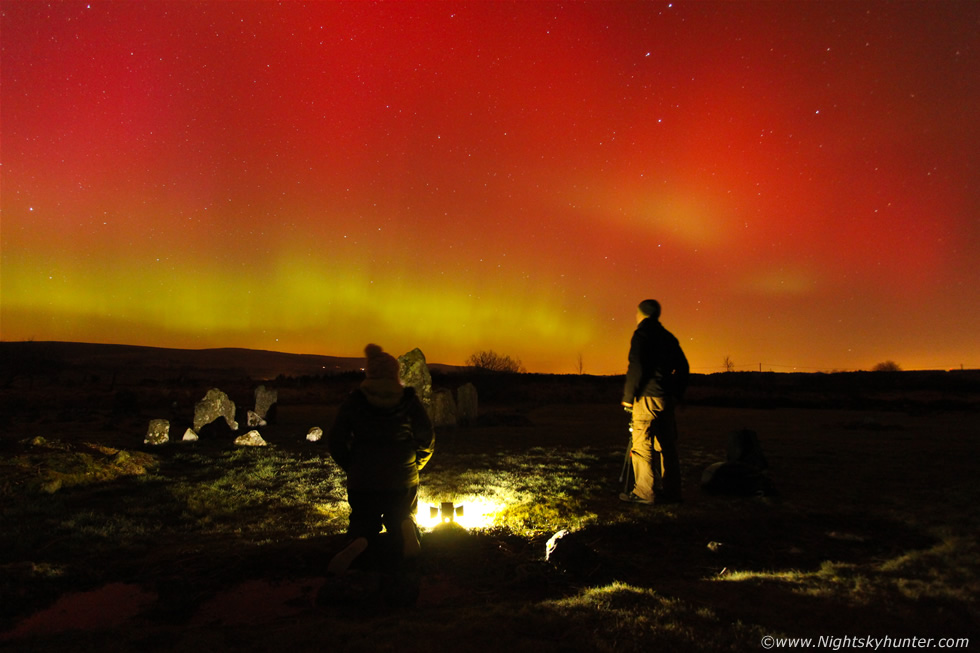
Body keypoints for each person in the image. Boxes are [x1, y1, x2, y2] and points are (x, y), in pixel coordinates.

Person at [327, 344, 435, 574]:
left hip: (364, 477)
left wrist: (352, 465)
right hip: (402, 474)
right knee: (401, 511)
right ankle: (405, 526)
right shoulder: (408, 400)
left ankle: (360, 539)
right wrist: (416, 465)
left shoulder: (355, 401)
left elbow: (336, 439)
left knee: (363, 519)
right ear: (395, 373)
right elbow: (426, 437)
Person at [620, 299, 689, 505]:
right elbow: (683, 367)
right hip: (666, 398)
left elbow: (636, 366)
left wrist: (628, 397)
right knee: (667, 446)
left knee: (642, 445)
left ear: (641, 314)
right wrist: (677, 393)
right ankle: (672, 492)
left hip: (647, 397)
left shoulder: (641, 334)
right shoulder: (668, 337)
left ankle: (644, 492)